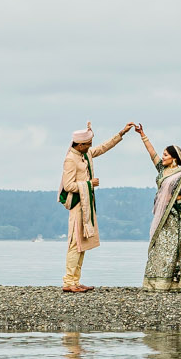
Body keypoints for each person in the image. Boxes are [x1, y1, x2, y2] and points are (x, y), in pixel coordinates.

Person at [59, 121, 130, 292]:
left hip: (86, 204)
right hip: (77, 205)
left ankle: (75, 280)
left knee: (82, 243)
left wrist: (121, 133)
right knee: (75, 243)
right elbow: (68, 186)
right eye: (88, 144)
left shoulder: (86, 154)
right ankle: (68, 282)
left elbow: (103, 147)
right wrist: (89, 184)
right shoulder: (71, 159)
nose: (91, 146)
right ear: (80, 144)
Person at [134, 126, 181, 292]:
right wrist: (142, 135)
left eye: (166, 155)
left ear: (174, 158)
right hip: (162, 215)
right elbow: (151, 153)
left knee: (180, 246)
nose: (162, 157)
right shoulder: (162, 169)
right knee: (161, 246)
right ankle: (158, 282)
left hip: (177, 214)